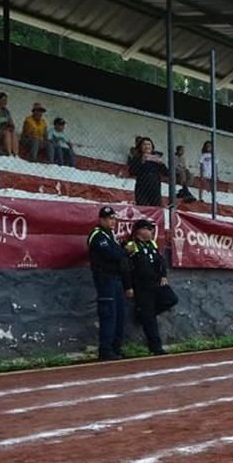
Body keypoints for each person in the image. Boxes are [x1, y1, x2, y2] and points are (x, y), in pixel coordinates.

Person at [88, 205, 133, 361]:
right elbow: (112, 254)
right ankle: (105, 350)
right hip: (105, 279)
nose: (112, 221)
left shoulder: (110, 236)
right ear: (101, 220)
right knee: (109, 315)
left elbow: (118, 256)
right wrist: (125, 251)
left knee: (119, 315)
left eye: (113, 218)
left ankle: (116, 348)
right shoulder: (97, 235)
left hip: (116, 280)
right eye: (108, 219)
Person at [126, 219, 173, 355]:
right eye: (148, 228)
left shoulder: (152, 243)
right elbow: (126, 267)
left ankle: (143, 314)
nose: (151, 231)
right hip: (141, 285)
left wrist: (163, 275)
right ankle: (156, 347)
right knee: (150, 318)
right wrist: (129, 286)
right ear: (139, 231)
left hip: (156, 283)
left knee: (171, 299)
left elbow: (161, 261)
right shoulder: (131, 245)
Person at [128, 137, 167, 206]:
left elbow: (166, 173)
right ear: (140, 147)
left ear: (152, 147)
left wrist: (161, 164)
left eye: (149, 144)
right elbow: (132, 171)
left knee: (156, 208)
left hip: (155, 188)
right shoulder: (137, 158)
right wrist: (142, 161)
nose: (147, 146)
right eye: (144, 144)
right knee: (143, 208)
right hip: (142, 187)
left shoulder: (156, 158)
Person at [0, 92, 17, 156]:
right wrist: (4, 124)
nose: (5, 102)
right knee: (7, 133)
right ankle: (9, 153)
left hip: (5, 129)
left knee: (13, 133)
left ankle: (15, 154)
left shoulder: (6, 111)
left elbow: (11, 122)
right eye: (3, 100)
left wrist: (11, 126)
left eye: (6, 100)